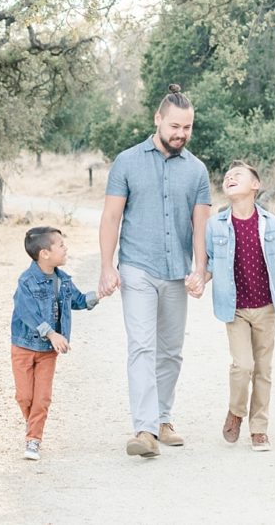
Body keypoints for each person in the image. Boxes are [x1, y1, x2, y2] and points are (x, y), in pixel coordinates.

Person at [98, 83, 211, 458]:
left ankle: (164, 419)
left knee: (171, 351)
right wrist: (105, 267)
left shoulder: (196, 170)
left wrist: (200, 269)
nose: (181, 134)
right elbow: (111, 217)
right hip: (137, 268)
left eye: (187, 128)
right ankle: (144, 429)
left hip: (176, 271)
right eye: (175, 126)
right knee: (142, 346)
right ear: (158, 119)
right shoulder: (127, 162)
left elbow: (200, 226)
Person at [205, 160, 275, 452]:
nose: (230, 177)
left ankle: (259, 429)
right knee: (242, 365)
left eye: (239, 175)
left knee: (263, 370)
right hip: (234, 307)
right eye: (227, 175)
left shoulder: (271, 223)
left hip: (266, 307)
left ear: (255, 185)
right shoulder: (216, 224)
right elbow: (208, 262)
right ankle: (236, 410)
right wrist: (198, 279)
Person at [11, 226, 99, 461]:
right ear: (44, 254)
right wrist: (51, 334)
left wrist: (98, 294)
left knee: (42, 398)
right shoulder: (27, 281)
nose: (65, 248)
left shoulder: (64, 280)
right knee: (24, 397)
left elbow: (78, 301)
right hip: (23, 347)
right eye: (60, 245)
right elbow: (27, 312)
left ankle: (33, 439)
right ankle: (33, 424)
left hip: (48, 352)